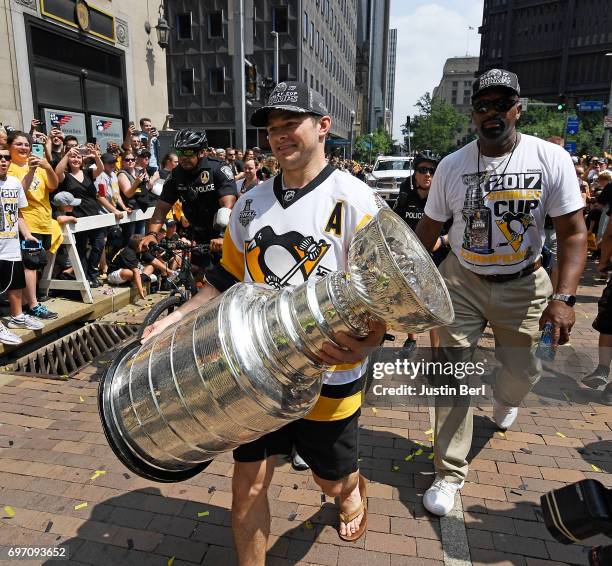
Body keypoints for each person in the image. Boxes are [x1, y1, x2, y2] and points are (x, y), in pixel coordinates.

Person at [141, 82, 387, 562]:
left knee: (328, 479)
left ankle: (351, 486)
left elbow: (381, 287)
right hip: (256, 373)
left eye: (290, 124)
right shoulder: (251, 205)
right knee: (248, 488)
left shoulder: (357, 200)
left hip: (329, 373)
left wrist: (370, 340)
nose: (279, 136)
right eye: (272, 129)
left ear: (323, 126)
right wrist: (176, 317)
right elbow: (224, 278)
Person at [415, 68, 587, 516]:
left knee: (523, 369)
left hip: (525, 283)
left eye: (501, 104)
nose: (492, 113)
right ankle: (449, 472)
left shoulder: (550, 159)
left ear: (517, 109)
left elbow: (572, 234)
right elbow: (428, 231)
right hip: (462, 280)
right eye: (483, 106)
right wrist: (409, 281)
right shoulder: (452, 166)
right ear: (473, 114)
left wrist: (564, 298)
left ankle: (505, 397)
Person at [139, 129, 237, 258]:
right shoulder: (175, 175)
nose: (183, 157)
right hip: (196, 234)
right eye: (179, 152)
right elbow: (162, 208)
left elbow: (228, 206)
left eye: (188, 152)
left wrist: (222, 236)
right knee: (196, 273)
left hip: (225, 234)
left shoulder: (218, 169)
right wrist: (152, 235)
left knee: (222, 275)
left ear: (201, 152)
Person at [393, 151, 449, 355]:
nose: (427, 175)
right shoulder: (406, 192)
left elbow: (457, 228)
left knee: (436, 305)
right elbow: (396, 221)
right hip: (411, 256)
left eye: (432, 171)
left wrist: (441, 240)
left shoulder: (443, 194)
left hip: (439, 257)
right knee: (410, 298)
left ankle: (436, 353)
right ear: (414, 173)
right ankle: (411, 340)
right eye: (422, 170)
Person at [7, 131, 59, 320]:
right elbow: (19, 193)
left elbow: (53, 186)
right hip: (26, 222)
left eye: (26, 145)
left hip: (44, 220)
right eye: (18, 144)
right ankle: (33, 305)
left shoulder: (40, 165)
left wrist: (47, 166)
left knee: (35, 266)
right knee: (29, 265)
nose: (24, 148)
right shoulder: (9, 168)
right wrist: (30, 171)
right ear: (9, 147)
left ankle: (29, 302)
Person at [56, 146, 125, 288]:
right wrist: (67, 154)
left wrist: (95, 156)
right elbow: (57, 172)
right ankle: (85, 277)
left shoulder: (88, 172)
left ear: (82, 160)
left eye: (78, 157)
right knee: (81, 248)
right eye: (73, 157)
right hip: (77, 216)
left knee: (99, 245)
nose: (75, 159)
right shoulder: (66, 176)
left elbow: (100, 169)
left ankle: (93, 274)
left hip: (94, 214)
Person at [0, 145, 44, 345]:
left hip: (11, 243)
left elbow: (18, 214)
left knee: (16, 283)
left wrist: (27, 235)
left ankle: (17, 317)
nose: (3, 161)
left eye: (6, 158)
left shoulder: (14, 182)